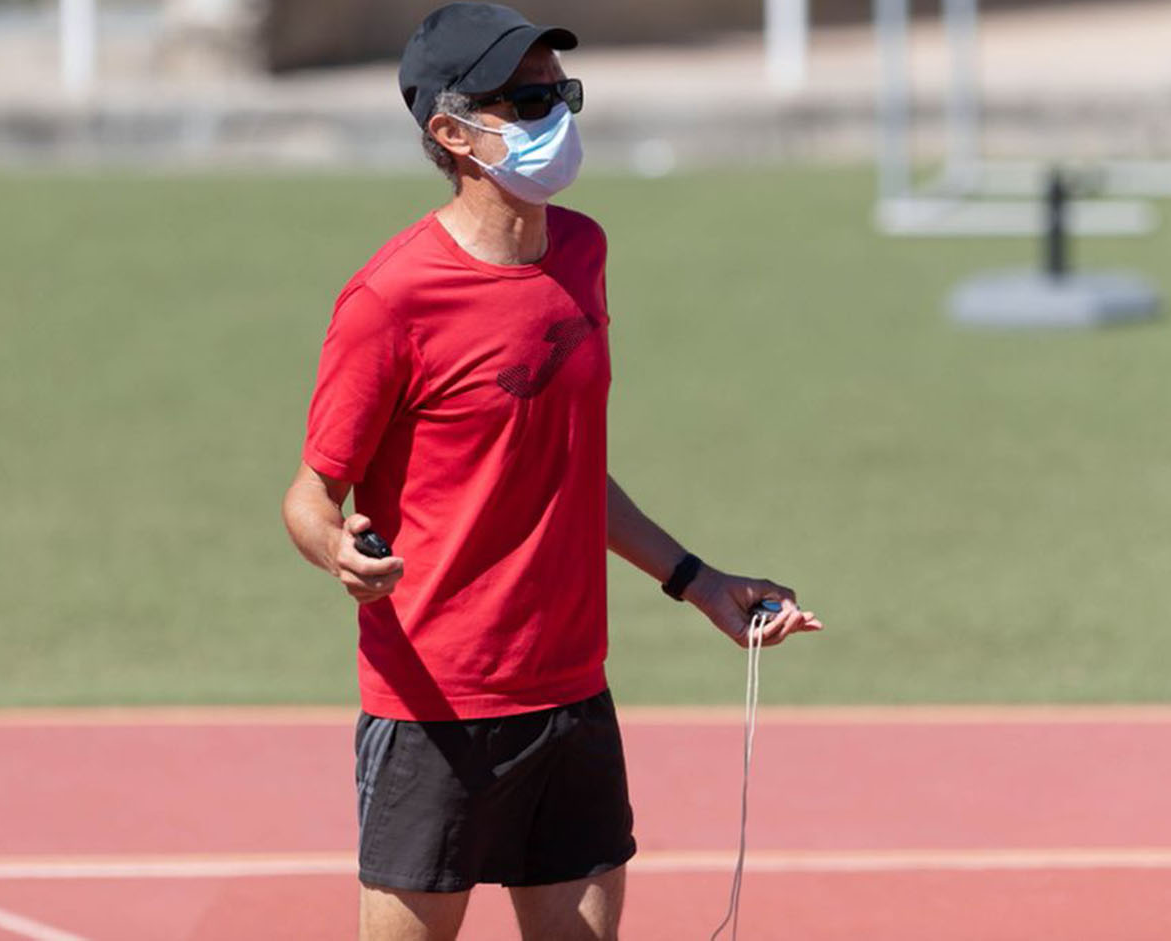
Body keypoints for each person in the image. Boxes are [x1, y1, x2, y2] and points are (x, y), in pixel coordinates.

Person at [280, 4, 823, 939]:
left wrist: (700, 583)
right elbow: (310, 492)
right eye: (527, 100)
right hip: (435, 703)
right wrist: (337, 549)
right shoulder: (390, 300)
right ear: (450, 134)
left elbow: (567, 471)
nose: (555, 118)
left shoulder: (581, 251)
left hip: (572, 690)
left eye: (561, 94)